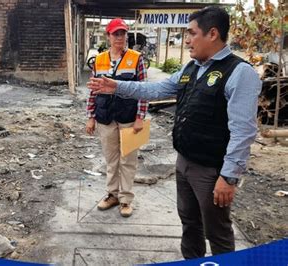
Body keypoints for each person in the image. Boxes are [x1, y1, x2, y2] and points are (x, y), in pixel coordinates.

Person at [87, 6, 261, 258]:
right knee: (190, 225)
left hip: (212, 171)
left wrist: (229, 177)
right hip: (184, 163)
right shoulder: (192, 69)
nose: (187, 40)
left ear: (212, 34)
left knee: (218, 234)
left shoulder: (239, 73)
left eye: (191, 33)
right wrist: (116, 86)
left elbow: (244, 132)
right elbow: (155, 91)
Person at [86, 18, 148, 217]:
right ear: (108, 36)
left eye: (122, 33)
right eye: (116, 34)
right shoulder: (99, 60)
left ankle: (125, 200)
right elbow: (93, 91)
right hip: (106, 118)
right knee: (111, 160)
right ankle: (112, 195)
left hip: (129, 118)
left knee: (128, 160)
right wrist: (91, 117)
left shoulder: (136, 58)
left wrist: (141, 117)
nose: (119, 37)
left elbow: (144, 90)